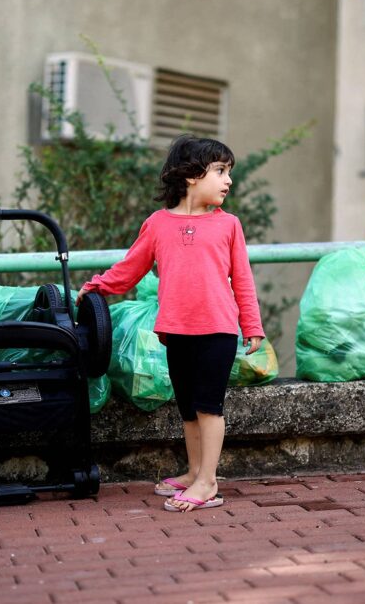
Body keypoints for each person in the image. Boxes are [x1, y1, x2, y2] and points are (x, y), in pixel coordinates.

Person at [76, 134, 264, 512]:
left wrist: (253, 326)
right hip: (176, 331)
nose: (229, 181)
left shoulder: (229, 225)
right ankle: (195, 472)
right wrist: (96, 287)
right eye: (221, 171)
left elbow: (242, 279)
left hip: (218, 331)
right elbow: (130, 269)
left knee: (209, 407)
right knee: (188, 408)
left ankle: (209, 482)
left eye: (229, 173)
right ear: (192, 175)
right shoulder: (158, 224)